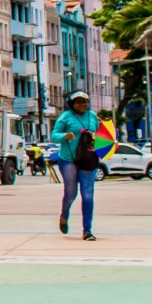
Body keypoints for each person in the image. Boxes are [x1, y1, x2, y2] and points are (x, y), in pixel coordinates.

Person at [51, 90, 101, 240]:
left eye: (84, 101)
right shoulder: (65, 117)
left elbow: (100, 134)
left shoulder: (92, 116)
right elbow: (54, 135)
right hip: (69, 160)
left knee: (87, 194)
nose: (82, 104)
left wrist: (108, 143)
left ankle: (87, 230)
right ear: (72, 104)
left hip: (88, 160)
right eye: (78, 102)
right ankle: (64, 215)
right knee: (71, 193)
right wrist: (64, 136)